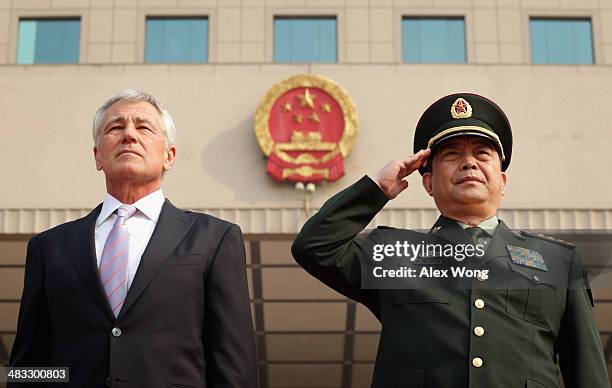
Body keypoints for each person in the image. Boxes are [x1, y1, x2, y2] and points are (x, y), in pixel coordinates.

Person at [292, 93, 609, 388]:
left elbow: (588, 373)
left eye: (482, 154)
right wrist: (377, 188)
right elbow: (315, 245)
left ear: (502, 181)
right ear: (428, 182)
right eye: (452, 154)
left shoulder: (557, 261)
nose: (469, 163)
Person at [9, 90, 257, 388]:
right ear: (97, 155)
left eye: (143, 127)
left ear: (169, 156)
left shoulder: (214, 239)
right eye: (115, 127)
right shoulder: (49, 248)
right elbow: (28, 366)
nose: (128, 135)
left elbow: (233, 364)